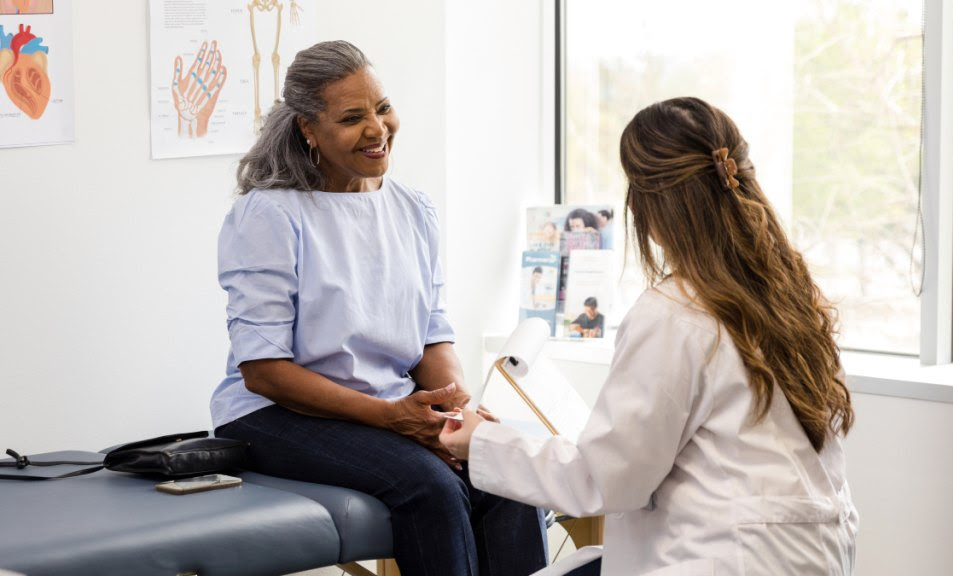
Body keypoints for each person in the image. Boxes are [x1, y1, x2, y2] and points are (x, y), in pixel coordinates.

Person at [441, 97, 858, 576]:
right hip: (811, 557)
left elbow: (605, 480)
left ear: (648, 204)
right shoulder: (791, 296)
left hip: (726, 559)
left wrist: (483, 441)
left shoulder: (673, 313)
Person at [210, 40, 547, 576]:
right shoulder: (270, 216)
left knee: (503, 470)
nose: (377, 128)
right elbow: (264, 371)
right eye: (352, 117)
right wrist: (393, 419)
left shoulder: (412, 208)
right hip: (274, 417)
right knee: (431, 488)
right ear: (308, 129)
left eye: (382, 108)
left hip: (389, 406)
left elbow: (432, 330)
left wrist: (449, 404)